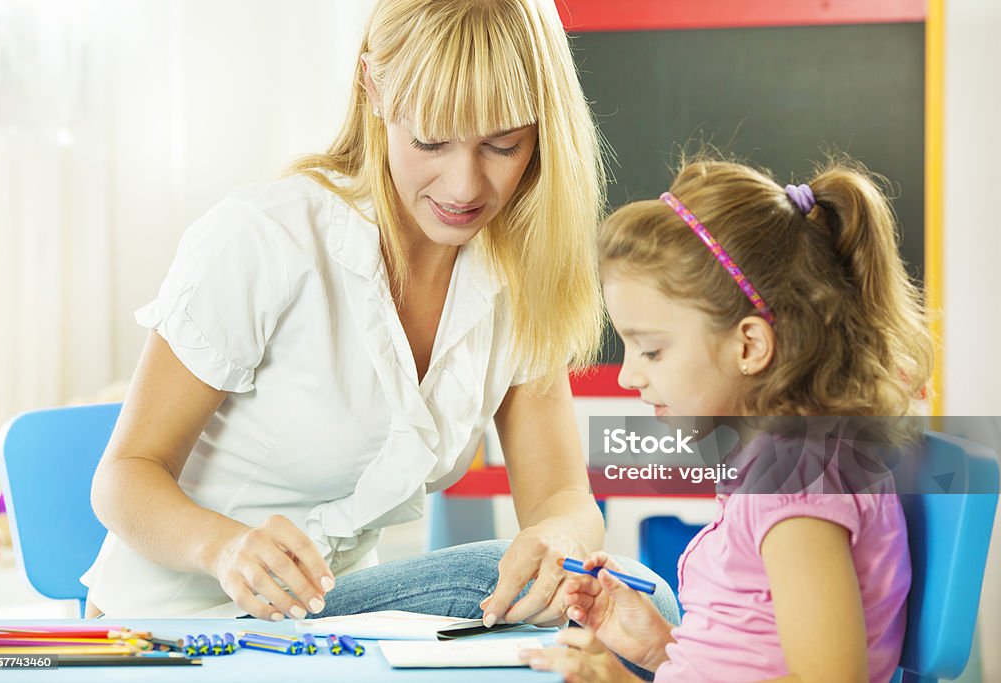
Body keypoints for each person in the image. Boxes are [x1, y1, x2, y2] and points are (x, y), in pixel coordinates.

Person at [82, 0, 681, 627]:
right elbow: (124, 476)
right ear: (375, 87)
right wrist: (223, 545)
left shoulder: (520, 273)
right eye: (430, 141)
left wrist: (560, 540)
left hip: (334, 623)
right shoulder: (265, 238)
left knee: (635, 598)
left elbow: (563, 495)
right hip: (181, 617)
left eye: (502, 145)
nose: (464, 187)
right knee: (525, 587)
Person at [522, 156, 934, 682]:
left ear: (749, 344)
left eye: (651, 350)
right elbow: (758, 655)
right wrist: (660, 650)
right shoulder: (788, 462)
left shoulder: (794, 481)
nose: (627, 376)